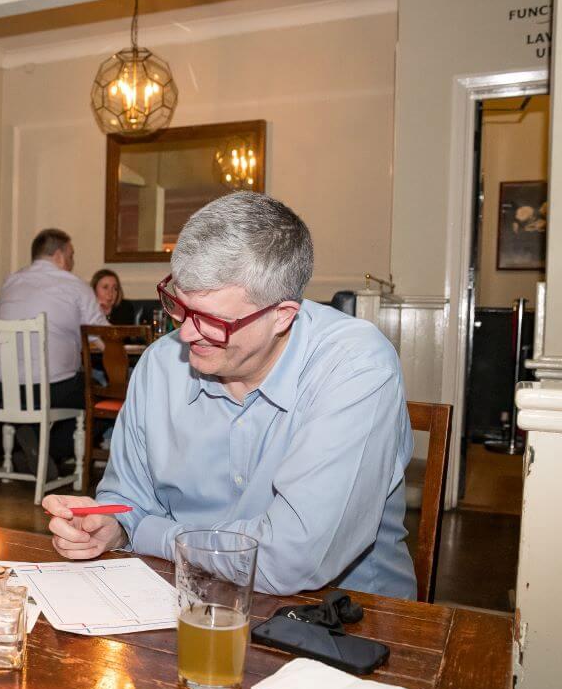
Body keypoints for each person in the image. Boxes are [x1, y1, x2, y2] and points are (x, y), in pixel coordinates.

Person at [43, 191, 417, 600]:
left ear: (283, 315)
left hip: (349, 622)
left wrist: (148, 531)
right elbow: (125, 497)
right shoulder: (161, 365)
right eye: (178, 306)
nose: (185, 333)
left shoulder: (356, 366)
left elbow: (288, 559)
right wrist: (111, 525)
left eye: (213, 321)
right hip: (185, 601)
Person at [0, 229, 108, 474]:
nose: (73, 261)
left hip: (2, 389)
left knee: (66, 387)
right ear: (59, 255)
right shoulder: (74, 285)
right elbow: (104, 337)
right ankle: (49, 453)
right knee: (104, 399)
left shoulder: (10, 282)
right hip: (50, 390)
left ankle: (33, 451)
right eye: (72, 255)